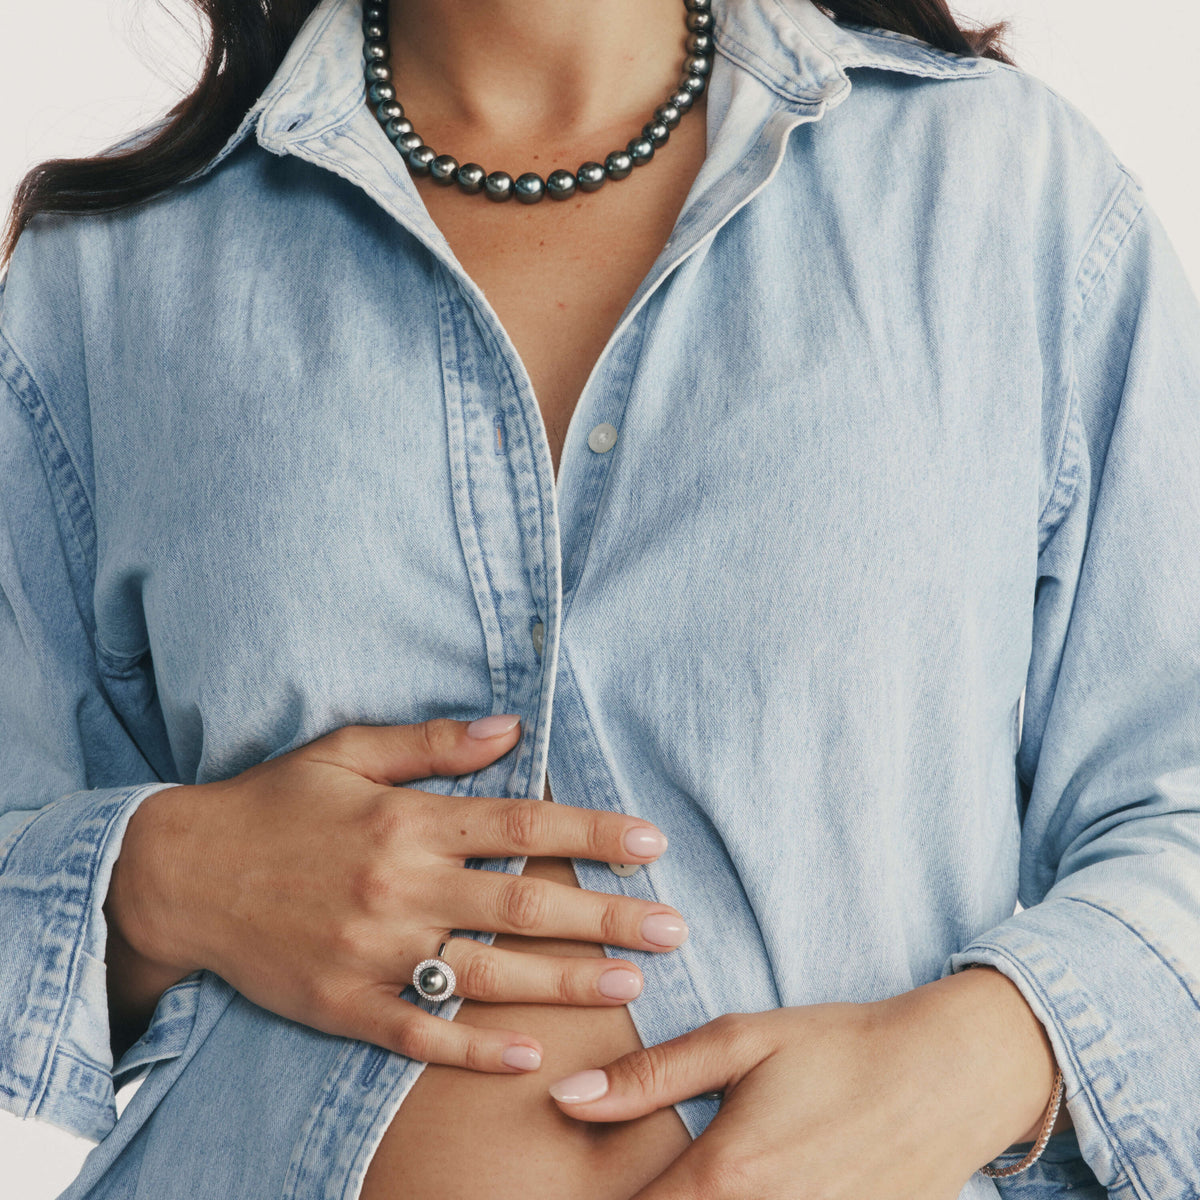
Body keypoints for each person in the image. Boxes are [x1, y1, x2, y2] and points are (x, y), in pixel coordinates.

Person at [2, 0, 1199, 1195]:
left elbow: (1178, 799)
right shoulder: (115, 267)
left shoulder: (998, 190)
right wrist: (167, 880)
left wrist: (976, 1060)